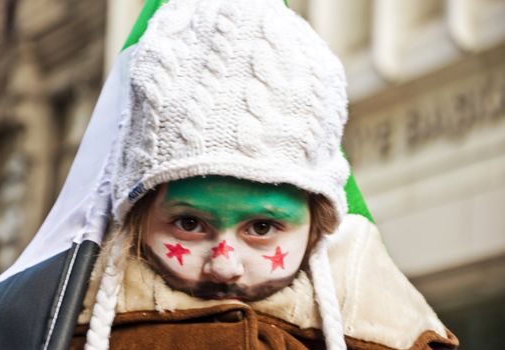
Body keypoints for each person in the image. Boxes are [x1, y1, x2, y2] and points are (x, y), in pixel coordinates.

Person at [67, 0, 459, 349]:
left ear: (317, 226)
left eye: (262, 228)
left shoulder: (395, 339)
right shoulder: (53, 329)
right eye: (189, 223)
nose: (224, 265)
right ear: (136, 216)